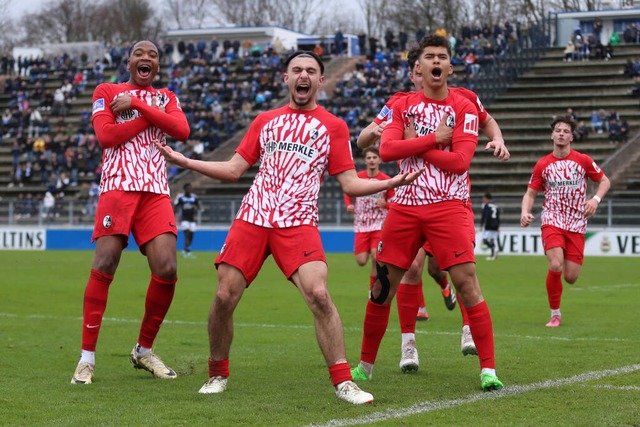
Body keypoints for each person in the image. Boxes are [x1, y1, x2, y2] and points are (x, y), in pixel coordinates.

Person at [155, 50, 423, 405]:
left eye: (311, 71)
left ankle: (344, 382)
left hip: (297, 221)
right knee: (223, 297)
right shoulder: (265, 120)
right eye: (297, 69)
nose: (303, 75)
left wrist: (392, 183)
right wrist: (184, 160)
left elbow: (350, 184)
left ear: (320, 81)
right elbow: (235, 169)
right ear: (286, 78)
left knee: (319, 295)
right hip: (253, 216)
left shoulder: (333, 126)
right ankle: (217, 372)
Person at [350, 34, 504, 391]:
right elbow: (386, 149)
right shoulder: (402, 104)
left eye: (443, 57)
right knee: (381, 287)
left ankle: (489, 370)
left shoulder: (464, 106)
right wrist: (435, 139)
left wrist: (416, 144)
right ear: (417, 67)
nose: (437, 62)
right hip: (403, 207)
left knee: (467, 284)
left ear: (450, 66)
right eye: (430, 56)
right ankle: (364, 368)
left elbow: (459, 162)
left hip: (448, 207)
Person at [70, 40, 190, 385]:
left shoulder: (166, 96)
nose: (146, 58)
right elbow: (107, 136)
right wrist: (153, 119)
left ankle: (143, 350)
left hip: (155, 192)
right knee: (105, 262)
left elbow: (181, 130)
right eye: (140, 53)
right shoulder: (107, 91)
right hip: (118, 187)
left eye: (153, 54)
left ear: (157, 65)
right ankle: (86, 359)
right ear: (128, 62)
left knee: (167, 269)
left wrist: (137, 106)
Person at [520, 116, 610, 328]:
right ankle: (555, 314)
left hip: (577, 223)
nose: (561, 133)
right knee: (555, 263)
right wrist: (525, 211)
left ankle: (557, 308)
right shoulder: (543, 164)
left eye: (565, 131)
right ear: (552, 135)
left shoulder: (583, 160)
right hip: (552, 219)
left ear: (572, 136)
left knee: (570, 277)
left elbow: (604, 181)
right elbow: (530, 193)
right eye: (558, 130)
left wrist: (595, 200)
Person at [344, 147, 394, 288]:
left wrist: (386, 205)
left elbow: (394, 204)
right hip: (362, 224)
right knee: (361, 261)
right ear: (365, 160)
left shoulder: (386, 180)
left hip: (379, 224)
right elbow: (348, 193)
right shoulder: (358, 177)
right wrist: (349, 205)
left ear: (379, 160)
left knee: (375, 257)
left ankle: (372, 291)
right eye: (369, 158)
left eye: (374, 157)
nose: (372, 160)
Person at [174, 183, 203, 258]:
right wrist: (174, 215)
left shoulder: (194, 197)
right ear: (185, 189)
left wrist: (200, 208)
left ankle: (185, 250)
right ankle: (188, 251)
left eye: (190, 188)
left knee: (191, 235)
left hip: (192, 220)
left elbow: (198, 205)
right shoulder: (181, 198)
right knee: (187, 233)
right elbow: (176, 206)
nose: (189, 190)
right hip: (184, 219)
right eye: (188, 188)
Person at [480, 193, 500, 261]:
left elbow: (485, 216)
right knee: (492, 240)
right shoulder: (495, 206)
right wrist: (498, 227)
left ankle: (494, 249)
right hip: (495, 225)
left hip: (489, 225)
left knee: (485, 240)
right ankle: (493, 256)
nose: (483, 199)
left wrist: (482, 225)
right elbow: (497, 217)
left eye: (484, 198)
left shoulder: (486, 206)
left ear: (487, 198)